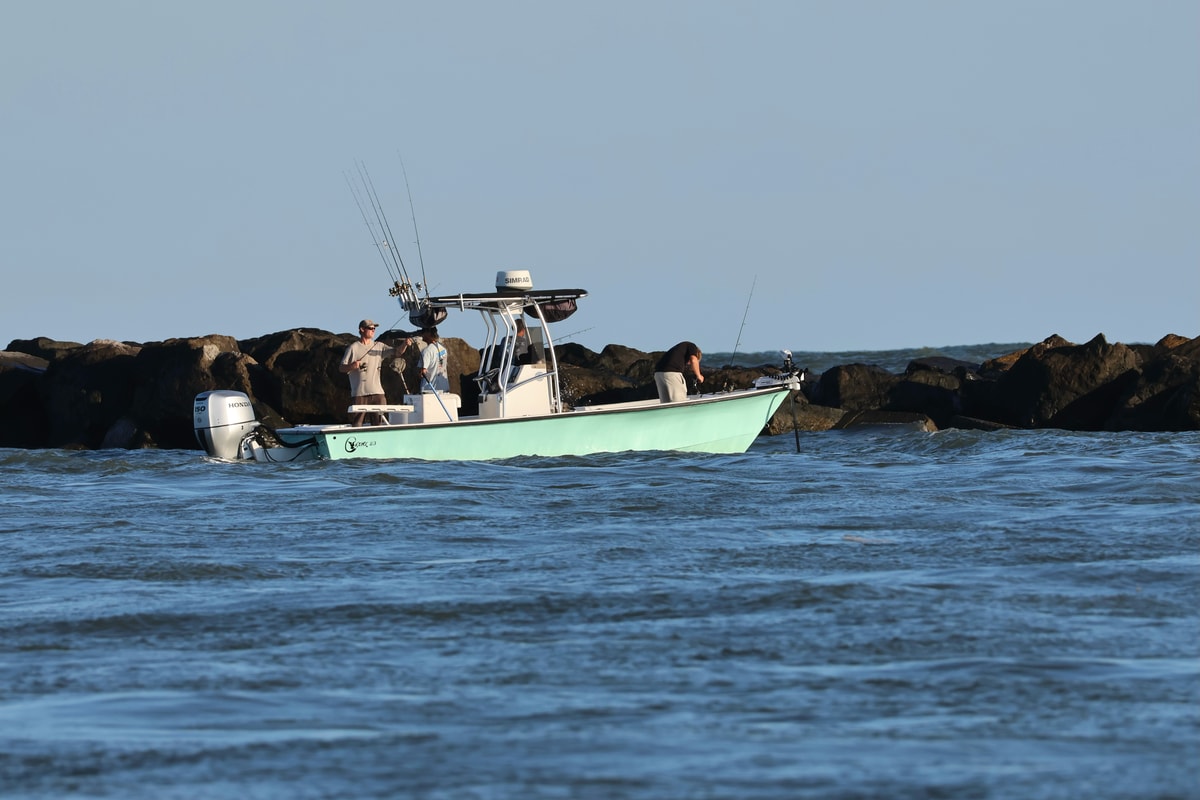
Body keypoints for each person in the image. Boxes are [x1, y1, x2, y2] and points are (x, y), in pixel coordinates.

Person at [339, 319, 413, 426]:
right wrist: (352, 366)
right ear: (362, 329)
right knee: (357, 424)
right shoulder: (353, 348)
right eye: (371, 328)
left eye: (374, 328)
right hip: (360, 394)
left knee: (378, 424)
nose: (373, 330)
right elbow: (341, 368)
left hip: (378, 393)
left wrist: (405, 344)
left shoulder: (379, 346)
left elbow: (397, 352)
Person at [417, 326, 449, 393]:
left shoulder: (426, 351)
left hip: (429, 390)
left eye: (423, 331)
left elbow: (423, 372)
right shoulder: (443, 349)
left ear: (428, 334)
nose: (422, 334)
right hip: (444, 389)